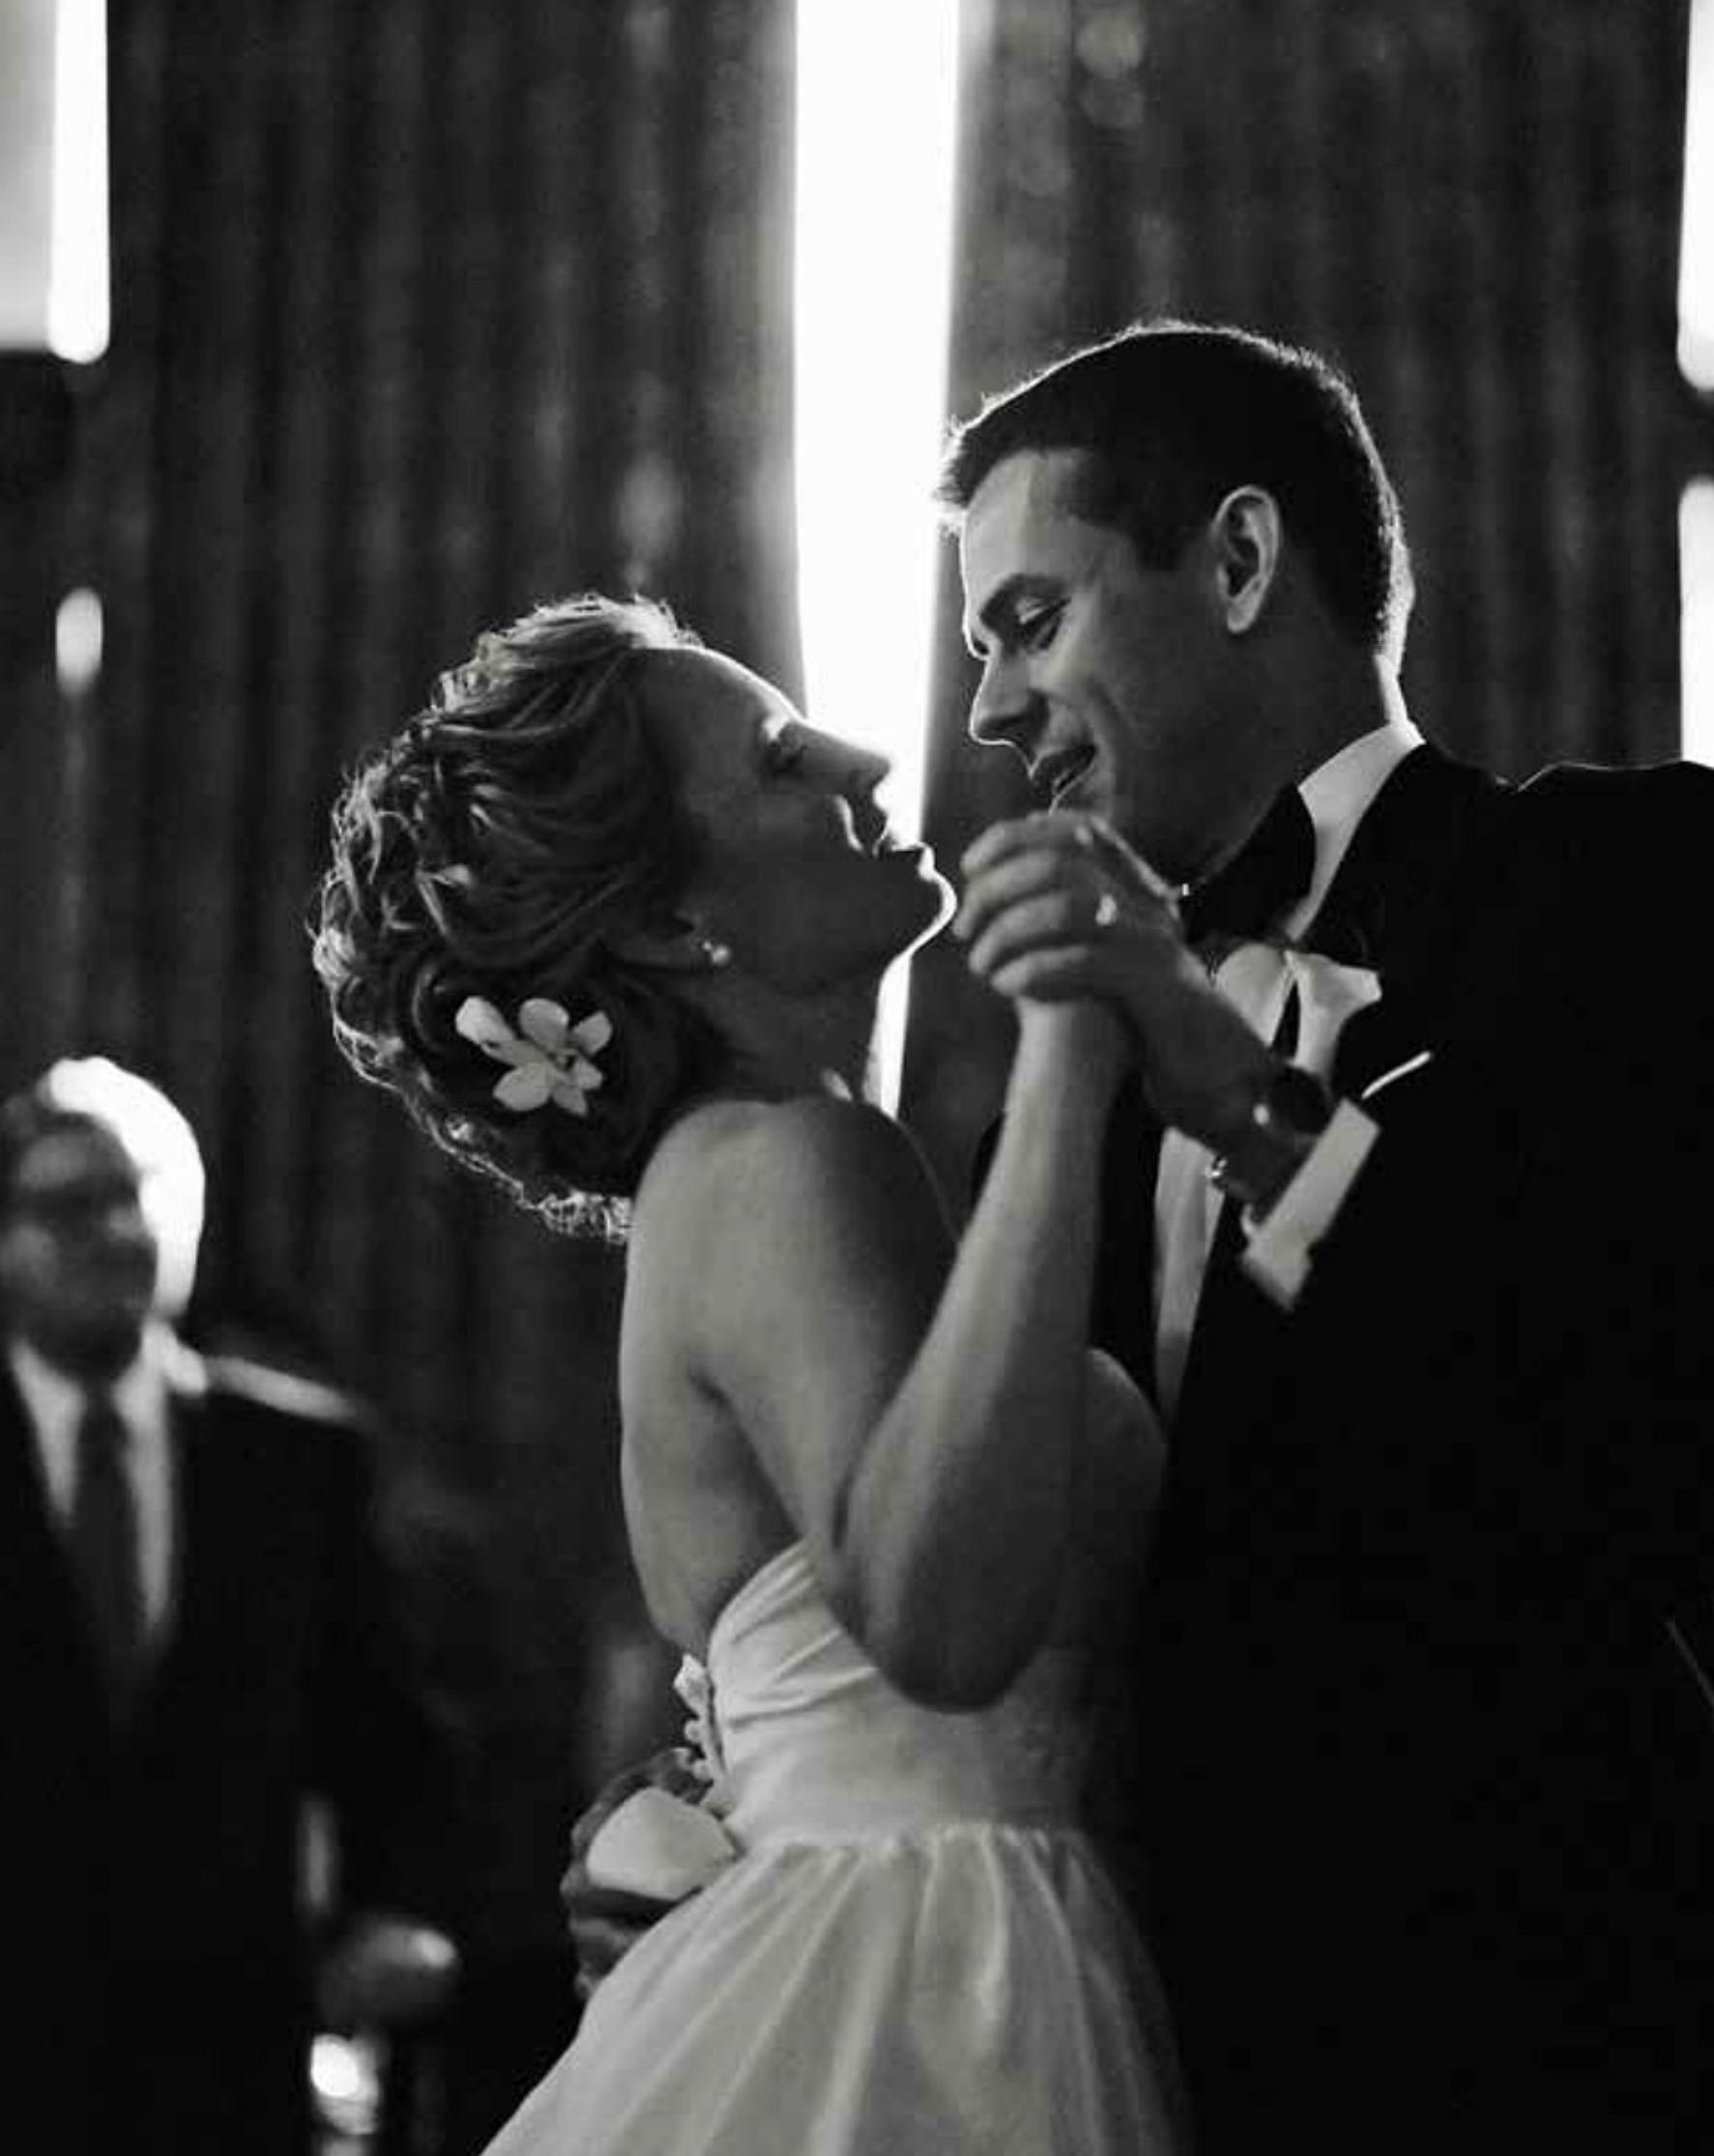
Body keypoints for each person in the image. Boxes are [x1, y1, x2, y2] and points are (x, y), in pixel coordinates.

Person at [931, 320, 1714, 2151]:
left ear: (1247, 561)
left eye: (1029, 621)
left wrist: (1228, 1085)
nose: (987, 713)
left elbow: (1680, 1446)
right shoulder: (1068, 1090)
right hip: (1191, 2065)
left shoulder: (1635, 885)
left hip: (1592, 2055)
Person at [310, 593, 1189, 2156]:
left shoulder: (717, 1183)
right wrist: (1076, 1045)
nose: (862, 753)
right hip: (923, 1983)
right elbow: (944, 1617)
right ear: (665, 924)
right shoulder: (797, 1164)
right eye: (785, 760)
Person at [0, 1056, 458, 2156]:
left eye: (142, 1194)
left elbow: (382, 1726)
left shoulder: (297, 1456)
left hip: (224, 2046)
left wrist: (395, 1912)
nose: (113, 1228)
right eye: (69, 1203)